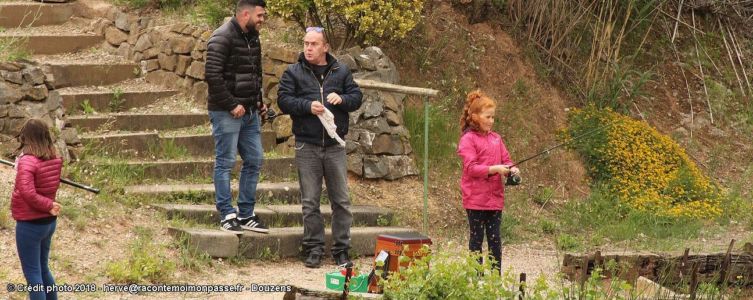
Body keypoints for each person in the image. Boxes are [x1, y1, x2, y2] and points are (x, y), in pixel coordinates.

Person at [277, 26, 363, 268]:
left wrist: (343, 99)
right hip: (307, 145)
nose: (308, 48)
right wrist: (306, 106)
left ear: (325, 47)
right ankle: (313, 249)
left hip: (335, 146)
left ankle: (341, 250)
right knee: (310, 202)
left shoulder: (341, 71)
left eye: (314, 44)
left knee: (341, 201)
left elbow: (357, 97)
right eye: (306, 43)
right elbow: (283, 100)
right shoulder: (293, 72)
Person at [205, 0, 269, 233]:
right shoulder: (222, 37)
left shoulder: (253, 37)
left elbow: (255, 74)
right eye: (260, 15)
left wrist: (259, 102)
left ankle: (246, 213)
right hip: (226, 112)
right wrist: (232, 105)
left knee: (255, 159)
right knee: (225, 162)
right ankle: (226, 214)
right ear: (245, 13)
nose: (263, 20)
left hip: (250, 113)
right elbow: (212, 75)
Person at [456, 90, 520, 273]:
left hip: (495, 200)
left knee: (495, 239)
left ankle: (495, 278)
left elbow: (507, 160)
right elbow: (471, 168)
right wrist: (495, 169)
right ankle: (476, 277)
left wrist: (511, 169)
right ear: (475, 117)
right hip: (475, 201)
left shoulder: (496, 139)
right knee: (476, 239)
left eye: (493, 117)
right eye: (488, 117)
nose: (491, 121)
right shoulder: (467, 139)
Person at [11, 119, 63, 300]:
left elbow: (27, 192)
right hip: (48, 223)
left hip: (30, 224)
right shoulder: (54, 158)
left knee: (33, 275)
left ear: (27, 138)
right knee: (43, 268)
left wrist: (49, 205)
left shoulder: (28, 161)